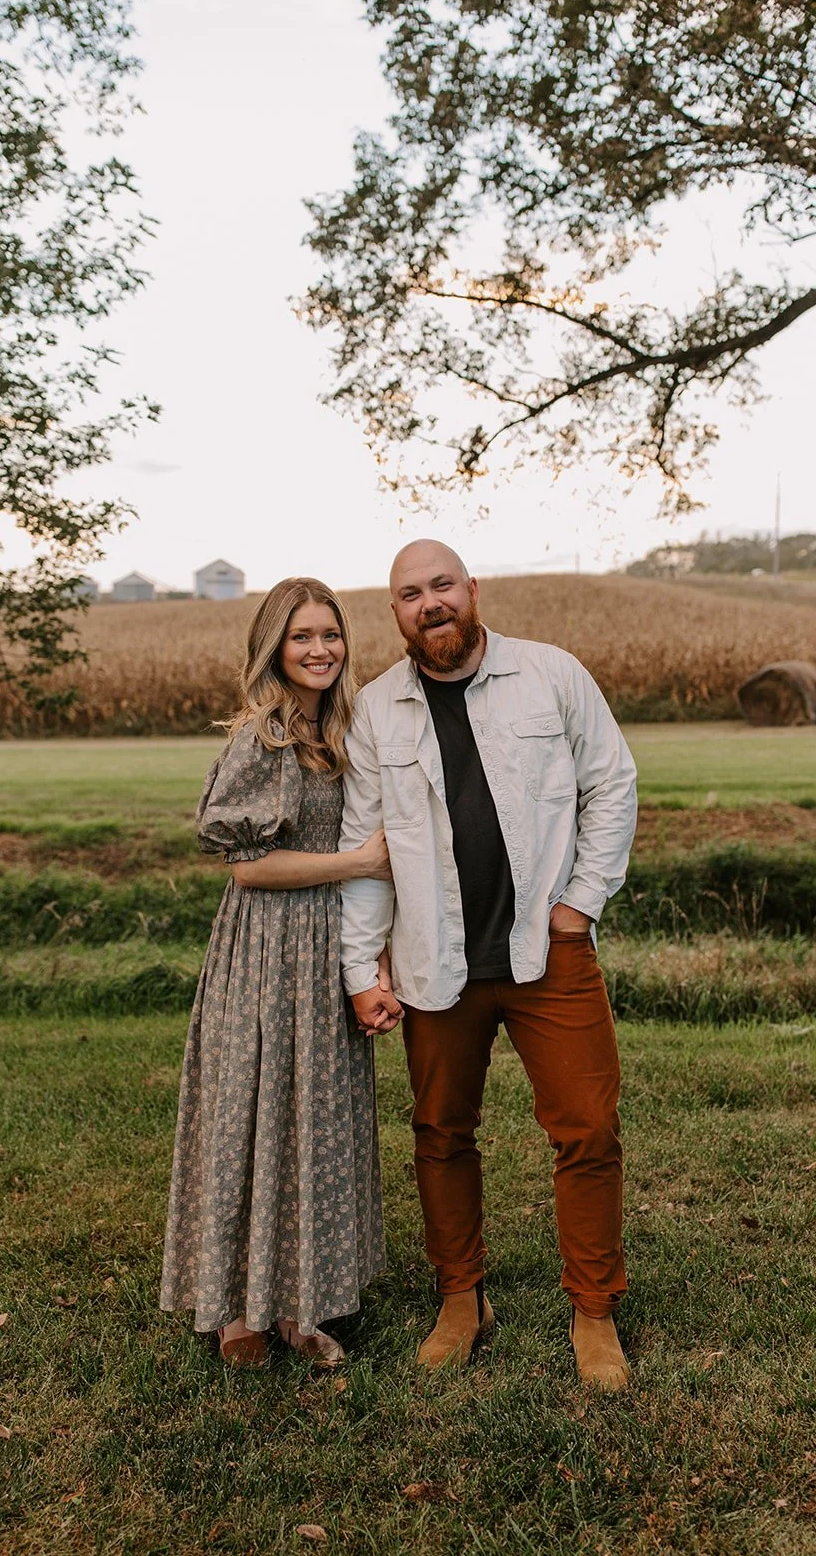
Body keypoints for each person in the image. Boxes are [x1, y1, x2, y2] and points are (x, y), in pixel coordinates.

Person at [339, 541, 638, 1389]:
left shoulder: (550, 674)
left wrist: (580, 901)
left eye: (442, 586)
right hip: (434, 962)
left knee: (586, 1130)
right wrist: (363, 967)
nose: (429, 603)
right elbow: (364, 851)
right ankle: (462, 1299)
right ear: (393, 612)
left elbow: (610, 783)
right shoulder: (375, 711)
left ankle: (593, 1309)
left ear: (471, 591)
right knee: (439, 1132)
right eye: (409, 594)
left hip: (550, 956)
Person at [160, 577, 396, 1367]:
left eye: (329, 634)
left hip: (326, 945)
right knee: (252, 1112)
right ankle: (234, 1309)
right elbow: (248, 869)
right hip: (265, 950)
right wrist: (357, 861)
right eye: (301, 637)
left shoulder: (345, 727)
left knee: (313, 1121)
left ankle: (299, 1305)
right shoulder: (261, 736)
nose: (319, 649)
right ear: (274, 647)